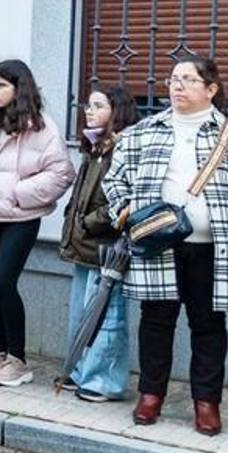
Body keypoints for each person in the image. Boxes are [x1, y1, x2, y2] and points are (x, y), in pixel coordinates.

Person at [103, 56, 228, 435]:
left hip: (215, 247)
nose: (177, 86)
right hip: (158, 244)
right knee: (156, 322)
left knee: (209, 325)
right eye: (173, 79)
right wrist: (126, 211)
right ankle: (150, 395)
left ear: (210, 89)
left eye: (188, 80)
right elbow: (114, 180)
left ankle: (207, 403)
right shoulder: (144, 131)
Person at [0, 59, 75, 388]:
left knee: (3, 282)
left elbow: (62, 173)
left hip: (21, 217)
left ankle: (19, 360)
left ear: (18, 87)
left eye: (1, 86)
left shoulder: (41, 126)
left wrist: (19, 194)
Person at [56, 85, 138, 402]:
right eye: (88, 105)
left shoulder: (124, 148)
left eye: (97, 105)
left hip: (107, 246)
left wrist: (89, 223)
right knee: (82, 313)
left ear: (116, 111)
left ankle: (104, 381)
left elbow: (124, 197)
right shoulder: (94, 146)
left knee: (108, 316)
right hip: (84, 245)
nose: (88, 111)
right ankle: (79, 371)